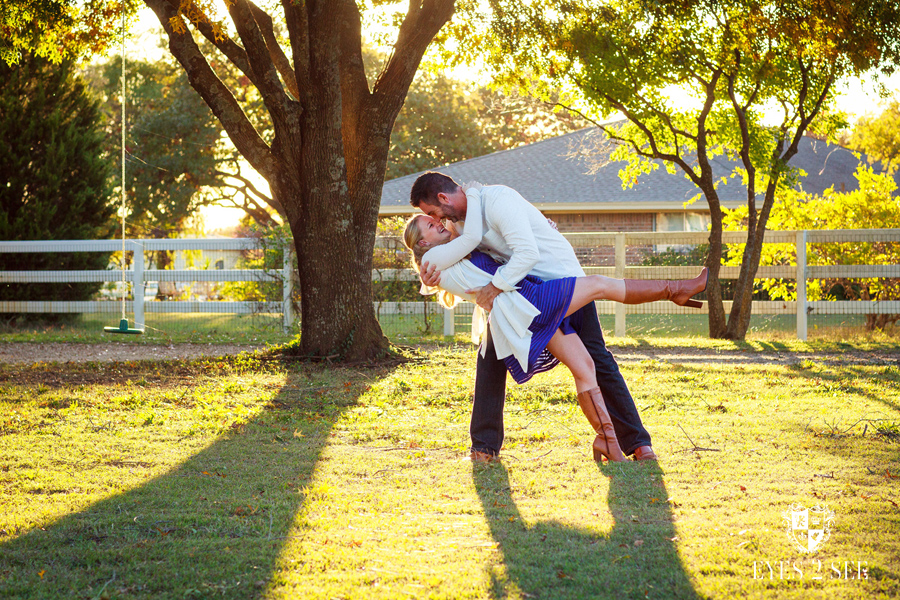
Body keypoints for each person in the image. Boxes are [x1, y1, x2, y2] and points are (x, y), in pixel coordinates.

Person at [405, 177, 708, 462]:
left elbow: (525, 253)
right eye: (432, 221)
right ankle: (483, 448)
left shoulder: (494, 200)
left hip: (554, 278)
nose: (440, 221)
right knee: (492, 359)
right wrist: (429, 276)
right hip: (518, 297)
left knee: (594, 360)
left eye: (434, 213)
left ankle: (637, 443)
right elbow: (458, 257)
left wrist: (493, 285)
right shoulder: (458, 225)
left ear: (443, 198)